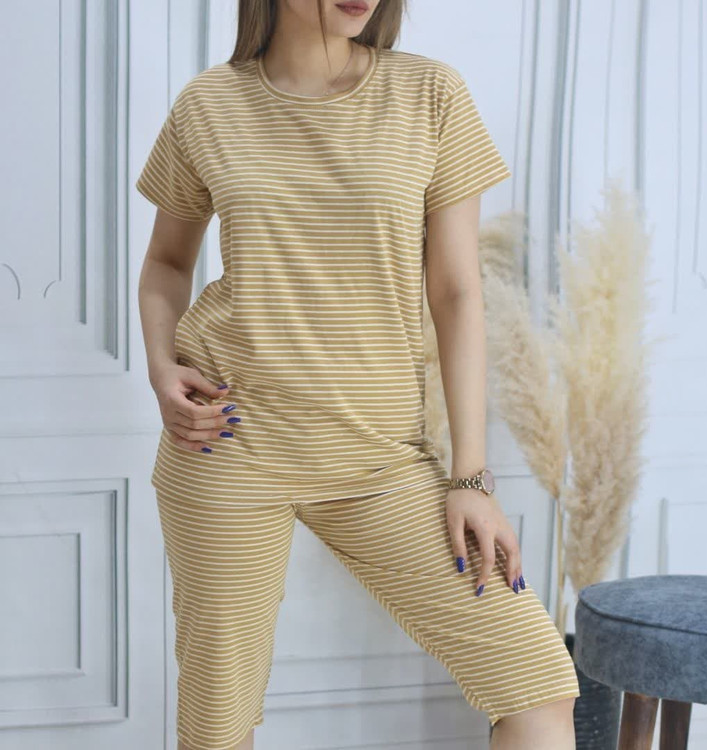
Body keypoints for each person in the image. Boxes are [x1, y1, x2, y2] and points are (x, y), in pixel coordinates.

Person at [136, 1, 581, 748]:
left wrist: (470, 478)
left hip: (379, 456)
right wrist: (160, 367)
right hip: (228, 443)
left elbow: (457, 292)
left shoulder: (430, 94)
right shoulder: (209, 104)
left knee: (536, 683)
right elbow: (166, 263)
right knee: (218, 726)